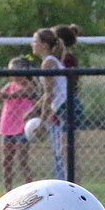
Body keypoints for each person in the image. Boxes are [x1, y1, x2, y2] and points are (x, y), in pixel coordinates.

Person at [30, 26, 79, 180]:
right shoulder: (49, 61)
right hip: (63, 107)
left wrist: (42, 122)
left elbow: (49, 94)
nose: (32, 44)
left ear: (44, 45)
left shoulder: (49, 63)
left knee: (65, 153)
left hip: (67, 107)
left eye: (35, 41)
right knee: (62, 152)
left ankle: (73, 187)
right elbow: (48, 94)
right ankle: (68, 183)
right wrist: (33, 110)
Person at [0, 56, 36, 193]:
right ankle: (8, 190)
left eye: (16, 70)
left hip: (22, 126)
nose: (13, 74)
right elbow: (1, 96)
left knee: (22, 160)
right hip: (8, 125)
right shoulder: (10, 86)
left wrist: (0, 94)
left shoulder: (30, 86)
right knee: (7, 161)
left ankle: (31, 190)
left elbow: (15, 95)